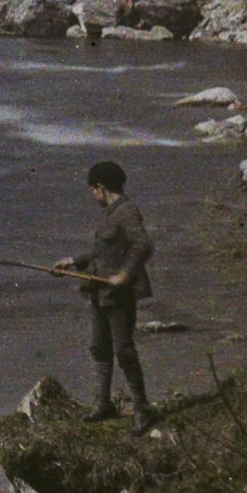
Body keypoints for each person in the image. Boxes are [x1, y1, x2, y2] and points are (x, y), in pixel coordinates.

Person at [53, 159, 159, 434]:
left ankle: (142, 409)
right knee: (99, 347)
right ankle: (103, 403)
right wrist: (73, 261)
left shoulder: (125, 212)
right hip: (99, 291)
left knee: (123, 349)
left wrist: (125, 274)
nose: (92, 196)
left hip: (119, 295)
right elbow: (103, 254)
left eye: (92, 190)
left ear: (100, 187)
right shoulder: (109, 213)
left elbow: (143, 244)